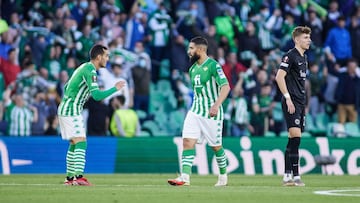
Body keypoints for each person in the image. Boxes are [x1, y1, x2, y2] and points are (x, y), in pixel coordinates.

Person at [57, 44, 125, 186]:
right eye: (106, 56)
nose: (107, 59)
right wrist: (115, 88)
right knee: (81, 141)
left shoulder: (83, 67)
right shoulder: (91, 71)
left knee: (74, 143)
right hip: (71, 109)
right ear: (99, 57)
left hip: (67, 107)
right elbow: (97, 96)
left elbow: (66, 86)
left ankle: (70, 178)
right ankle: (79, 177)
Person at [167, 36, 230, 186]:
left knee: (216, 146)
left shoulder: (214, 66)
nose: (189, 51)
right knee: (187, 142)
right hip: (195, 111)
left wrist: (216, 105)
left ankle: (223, 176)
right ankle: (185, 177)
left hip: (212, 113)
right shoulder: (193, 69)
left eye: (191, 48)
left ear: (201, 49)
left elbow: (226, 87)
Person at [275, 26, 312, 187]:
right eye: (305, 37)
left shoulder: (304, 58)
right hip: (291, 102)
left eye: (309, 37)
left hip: (300, 102)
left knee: (293, 140)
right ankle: (296, 176)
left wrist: (305, 103)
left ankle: (286, 175)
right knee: (296, 137)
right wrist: (287, 98)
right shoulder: (290, 56)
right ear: (297, 40)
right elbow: (279, 77)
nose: (309, 40)